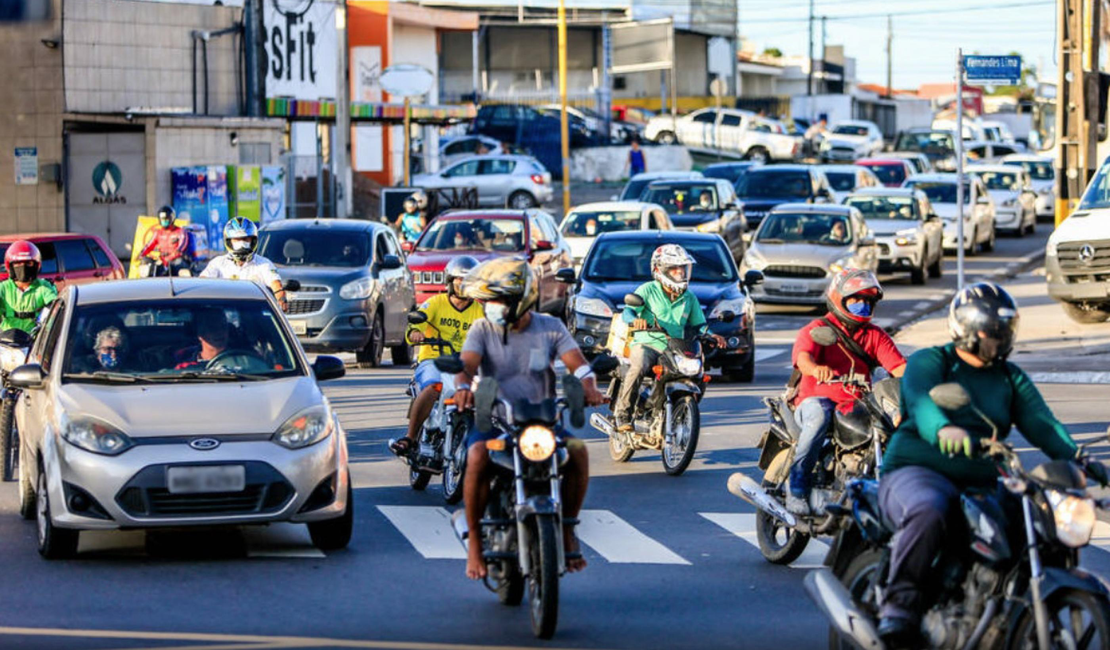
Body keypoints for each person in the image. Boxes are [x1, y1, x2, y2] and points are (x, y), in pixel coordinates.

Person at [875, 283, 1101, 644]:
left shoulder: (1009, 377)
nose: (1000, 337)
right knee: (930, 510)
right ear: (966, 328)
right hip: (917, 471)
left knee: (1036, 521)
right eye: (993, 329)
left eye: (1005, 329)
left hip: (981, 480)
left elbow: (1042, 423)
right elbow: (921, 403)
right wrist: (945, 429)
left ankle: (1006, 603)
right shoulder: (931, 361)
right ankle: (898, 607)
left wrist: (1079, 458)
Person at [451, 258, 606, 580]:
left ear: (519, 300)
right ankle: (476, 545)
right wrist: (463, 387)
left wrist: (589, 384)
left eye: (497, 300)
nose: (490, 306)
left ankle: (566, 529)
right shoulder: (483, 328)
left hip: (542, 423)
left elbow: (578, 364)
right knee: (477, 455)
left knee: (577, 450)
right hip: (497, 421)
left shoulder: (551, 326)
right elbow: (467, 366)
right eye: (488, 300)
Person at [786, 268, 906, 514]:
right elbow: (803, 358)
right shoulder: (818, 327)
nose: (862, 305)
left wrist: (923, 379)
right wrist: (817, 369)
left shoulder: (875, 335)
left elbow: (899, 367)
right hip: (815, 400)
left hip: (856, 404)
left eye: (867, 300)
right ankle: (796, 485)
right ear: (839, 298)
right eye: (856, 299)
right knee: (820, 415)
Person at [613, 245, 726, 433]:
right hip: (647, 342)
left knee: (696, 374)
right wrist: (636, 321)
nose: (681, 272)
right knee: (640, 366)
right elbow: (628, 311)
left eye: (683, 268)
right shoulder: (648, 289)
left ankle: (677, 411)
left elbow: (699, 324)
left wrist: (712, 334)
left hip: (675, 346)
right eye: (675, 268)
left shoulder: (689, 298)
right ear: (660, 270)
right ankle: (623, 413)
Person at [389, 255, 483, 457]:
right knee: (434, 386)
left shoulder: (480, 310)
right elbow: (414, 325)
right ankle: (410, 438)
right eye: (459, 280)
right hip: (434, 360)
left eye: (468, 281)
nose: (463, 285)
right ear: (450, 281)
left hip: (466, 364)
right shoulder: (435, 303)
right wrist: (416, 333)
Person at [200, 217, 288, 312]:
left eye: (246, 239)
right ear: (229, 241)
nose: (241, 243)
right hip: (224, 314)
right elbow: (202, 283)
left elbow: (275, 283)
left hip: (254, 314)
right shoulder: (217, 263)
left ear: (252, 240)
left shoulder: (264, 264)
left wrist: (281, 298)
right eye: (237, 240)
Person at [0, 240, 57, 334]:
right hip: (7, 341)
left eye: (28, 263)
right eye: (18, 263)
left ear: (36, 265)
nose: (23, 267)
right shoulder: (3, 288)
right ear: (10, 266)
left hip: (35, 340)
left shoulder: (44, 287)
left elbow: (55, 307)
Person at [139, 205, 191, 276]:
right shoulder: (158, 233)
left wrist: (177, 251)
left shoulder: (180, 231)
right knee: (150, 267)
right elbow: (149, 245)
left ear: (172, 218)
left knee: (177, 266)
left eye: (166, 219)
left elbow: (183, 244)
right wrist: (142, 254)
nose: (164, 221)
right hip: (162, 260)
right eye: (162, 219)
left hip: (175, 259)